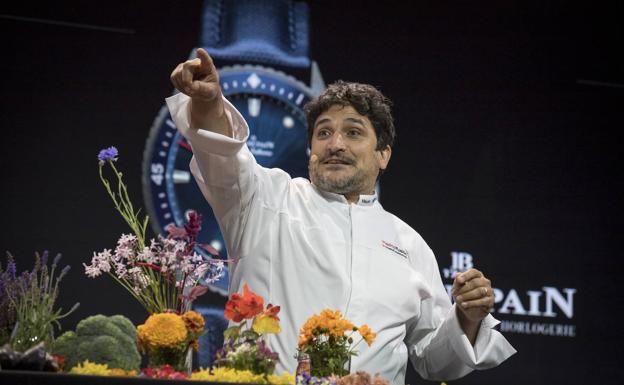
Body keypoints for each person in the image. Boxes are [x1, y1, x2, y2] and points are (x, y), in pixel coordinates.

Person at [167, 48, 516, 384]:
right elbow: (221, 156)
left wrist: (467, 319)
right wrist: (209, 103)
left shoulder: (410, 245)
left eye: (353, 132)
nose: (335, 144)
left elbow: (435, 361)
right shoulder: (265, 198)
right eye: (324, 133)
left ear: (383, 154)